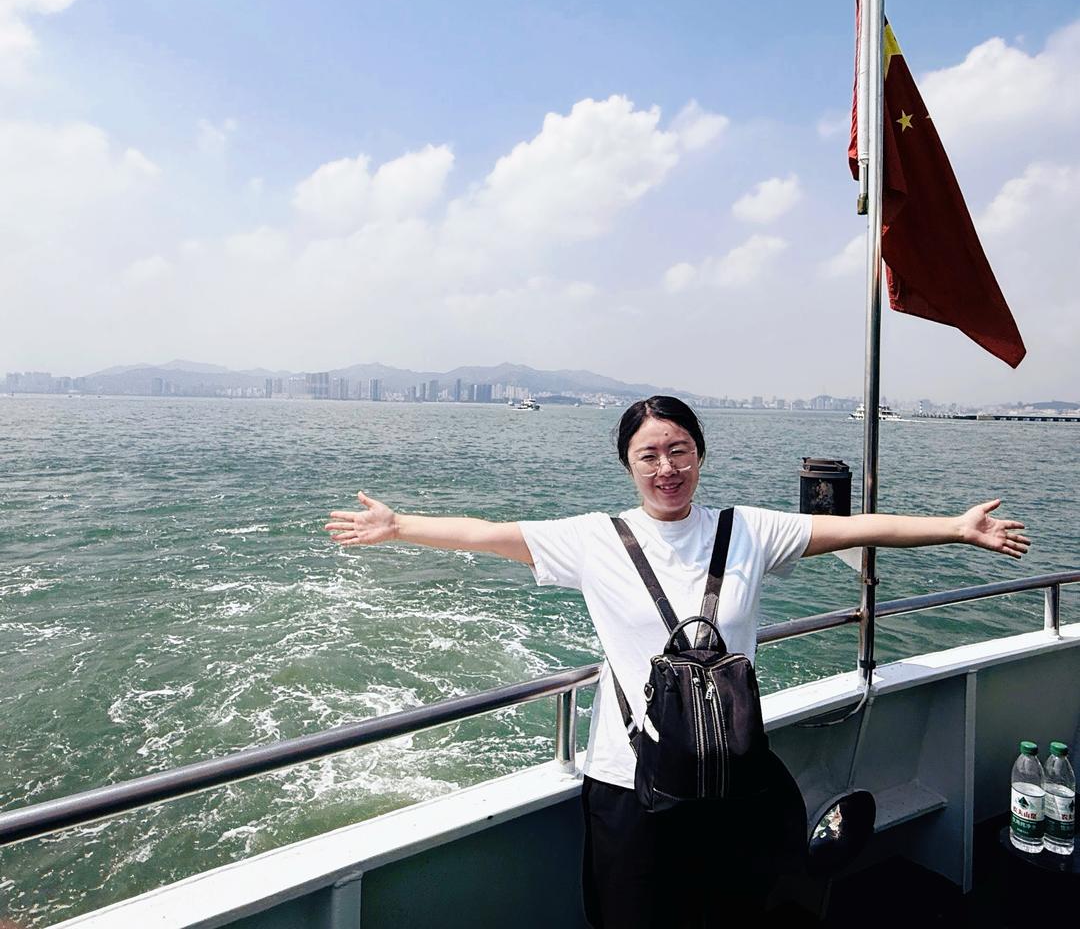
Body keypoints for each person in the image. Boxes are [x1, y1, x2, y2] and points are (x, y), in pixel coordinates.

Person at [325, 395, 1029, 927]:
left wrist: (957, 529)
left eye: (680, 449)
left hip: (734, 774)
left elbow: (856, 527)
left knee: (733, 910)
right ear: (628, 464)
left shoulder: (748, 528)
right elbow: (486, 535)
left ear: (701, 452)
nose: (668, 468)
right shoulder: (595, 539)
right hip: (629, 783)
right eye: (650, 455)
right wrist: (399, 526)